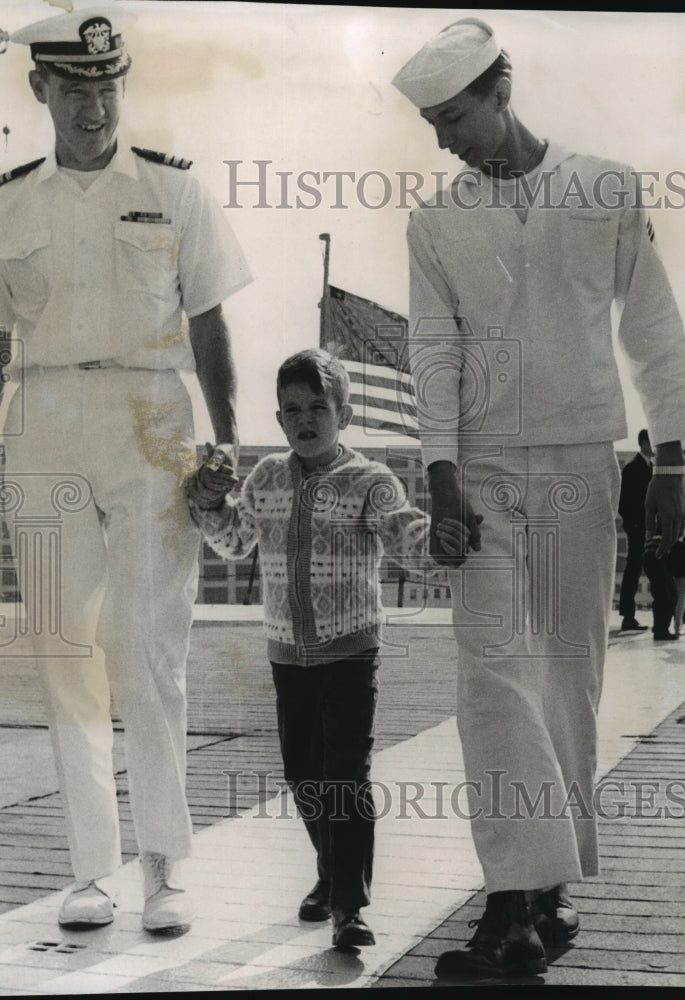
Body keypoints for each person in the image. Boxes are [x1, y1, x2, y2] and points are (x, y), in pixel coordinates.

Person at [391, 16, 685, 981]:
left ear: (500, 90)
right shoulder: (434, 221)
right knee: (490, 680)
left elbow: (652, 327)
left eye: (455, 116)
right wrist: (436, 475)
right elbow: (431, 351)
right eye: (431, 122)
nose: (443, 138)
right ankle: (509, 903)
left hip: (579, 466)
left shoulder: (603, 188)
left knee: (567, 677)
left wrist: (674, 464)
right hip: (475, 473)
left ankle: (547, 896)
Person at [0, 7, 251, 934]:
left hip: (152, 421)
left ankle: (164, 865)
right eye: (76, 88)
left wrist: (229, 443)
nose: (94, 104)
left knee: (149, 649)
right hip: (42, 425)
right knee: (62, 655)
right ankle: (91, 870)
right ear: (40, 89)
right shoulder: (4, 205)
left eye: (108, 86)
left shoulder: (174, 191)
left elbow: (207, 320)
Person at [185, 348, 464, 950]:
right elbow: (235, 542)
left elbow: (407, 535)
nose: (306, 418)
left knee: (345, 775)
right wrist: (209, 501)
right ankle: (331, 872)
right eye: (293, 409)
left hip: (351, 652)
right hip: (288, 653)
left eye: (319, 406)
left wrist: (443, 542)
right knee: (303, 775)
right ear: (280, 419)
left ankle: (348, 904)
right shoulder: (267, 479)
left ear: (344, 410)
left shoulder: (369, 480)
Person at [617, 429, 653, 632]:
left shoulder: (649, 467)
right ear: (643, 443)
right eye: (652, 442)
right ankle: (628, 616)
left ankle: (631, 616)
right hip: (638, 528)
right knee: (633, 569)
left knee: (640, 568)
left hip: (646, 528)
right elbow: (623, 502)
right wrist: (634, 524)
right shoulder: (632, 468)